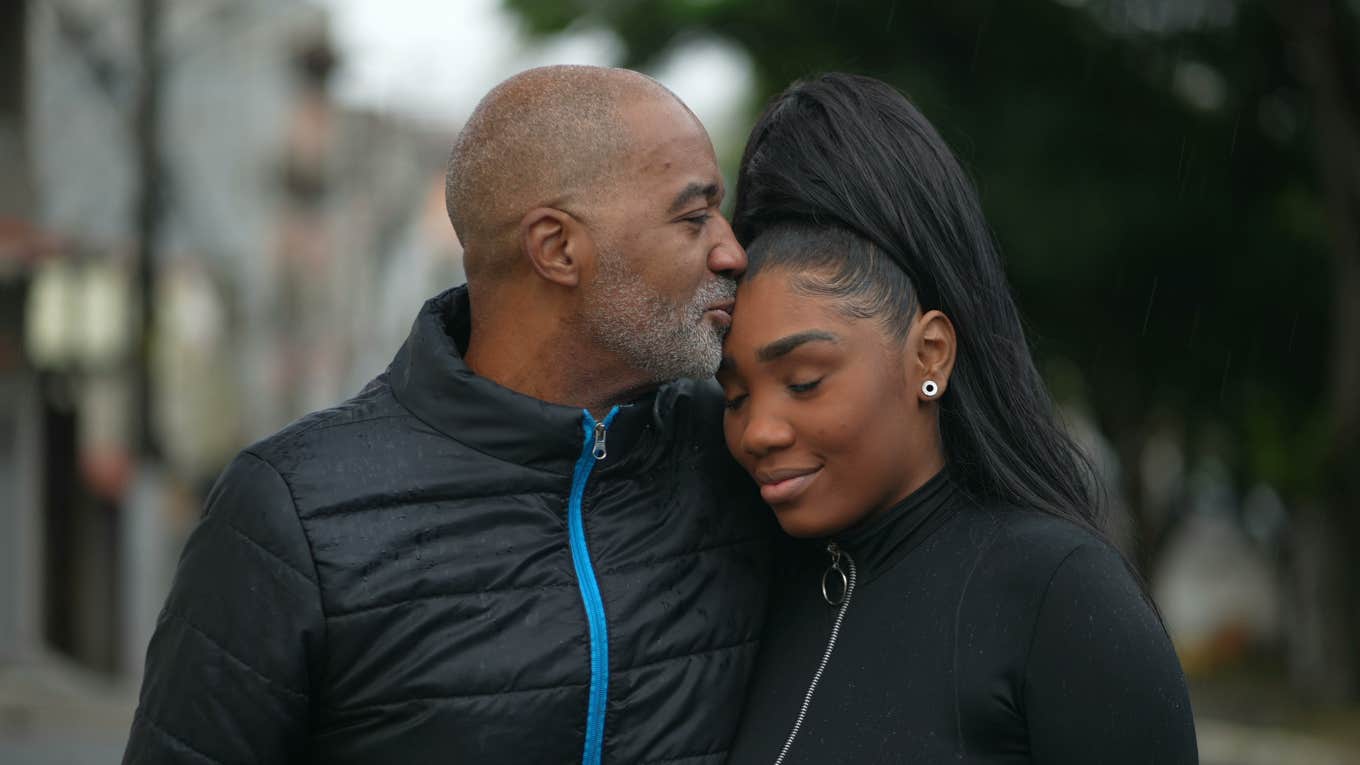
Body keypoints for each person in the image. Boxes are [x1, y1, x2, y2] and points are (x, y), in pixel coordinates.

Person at [122, 65, 771, 764]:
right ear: (556, 248)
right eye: (694, 215)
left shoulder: (742, 454)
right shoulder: (293, 512)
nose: (732, 250)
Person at [718, 73, 1198, 764]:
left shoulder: (1058, 596)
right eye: (734, 396)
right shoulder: (756, 590)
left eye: (804, 381)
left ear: (929, 354)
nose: (759, 431)